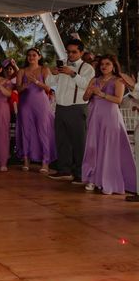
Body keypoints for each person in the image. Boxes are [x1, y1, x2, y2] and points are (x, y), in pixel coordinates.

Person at [82, 55, 137, 195]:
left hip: (110, 116)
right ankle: (93, 179)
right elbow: (85, 98)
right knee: (94, 146)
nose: (104, 66)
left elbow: (118, 100)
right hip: (95, 116)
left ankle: (108, 180)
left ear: (113, 66)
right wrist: (89, 92)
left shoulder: (118, 80)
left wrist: (101, 94)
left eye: (107, 64)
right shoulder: (94, 79)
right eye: (102, 64)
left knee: (109, 147)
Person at [46, 39, 95, 184]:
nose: (71, 54)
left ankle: (81, 174)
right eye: (69, 51)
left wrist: (73, 74)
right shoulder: (63, 66)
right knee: (62, 140)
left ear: (81, 52)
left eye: (74, 52)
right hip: (60, 107)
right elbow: (49, 83)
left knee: (79, 142)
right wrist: (54, 73)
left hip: (77, 107)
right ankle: (64, 170)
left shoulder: (87, 68)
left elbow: (87, 85)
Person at [16, 48, 56, 173]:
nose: (31, 57)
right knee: (26, 130)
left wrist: (36, 82)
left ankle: (45, 161)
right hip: (25, 104)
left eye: (34, 55)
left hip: (41, 103)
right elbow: (18, 89)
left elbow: (49, 88)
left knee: (43, 130)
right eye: (29, 55)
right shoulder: (22, 71)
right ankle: (26, 159)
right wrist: (25, 85)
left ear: (39, 56)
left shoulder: (44, 69)